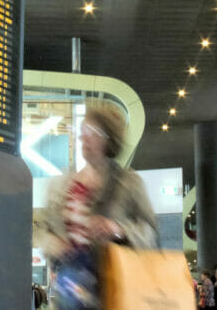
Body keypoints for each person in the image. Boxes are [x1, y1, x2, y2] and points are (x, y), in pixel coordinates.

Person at [38, 104, 157, 310]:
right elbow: (42, 231)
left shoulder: (128, 183)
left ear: (109, 138)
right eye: (82, 131)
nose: (84, 137)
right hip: (70, 294)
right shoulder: (61, 186)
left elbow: (151, 234)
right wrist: (54, 244)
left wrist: (118, 229)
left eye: (93, 132)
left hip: (115, 292)